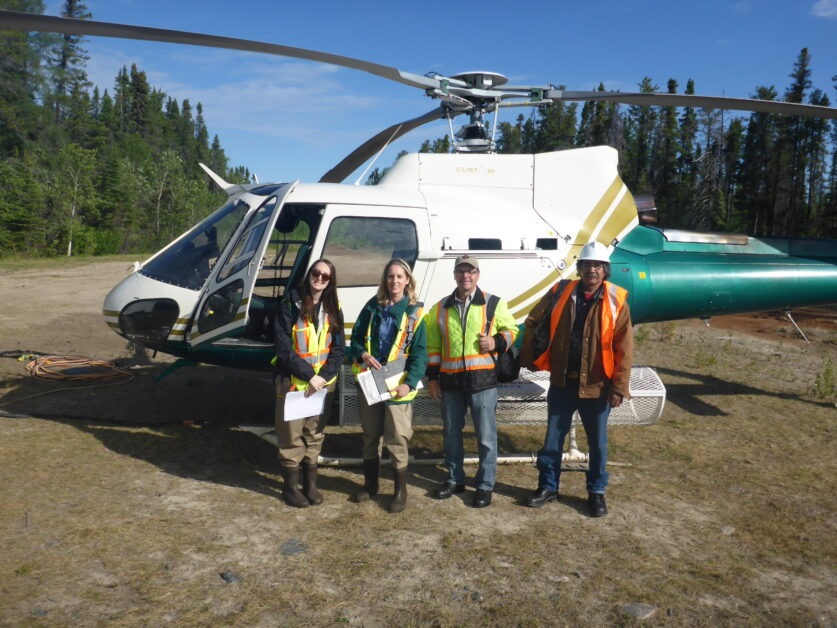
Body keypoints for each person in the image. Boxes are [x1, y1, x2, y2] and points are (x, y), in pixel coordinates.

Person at [519, 241, 633, 517]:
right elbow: (534, 319)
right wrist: (531, 354)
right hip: (562, 382)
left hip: (598, 386)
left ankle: (596, 492)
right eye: (587, 265)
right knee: (552, 441)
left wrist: (618, 386)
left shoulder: (617, 300)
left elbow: (624, 348)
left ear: (605, 270)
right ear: (579, 268)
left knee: (598, 444)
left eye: (597, 265)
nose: (591, 270)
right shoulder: (561, 291)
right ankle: (548, 487)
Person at [426, 255, 518, 508]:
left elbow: (512, 330)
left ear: (478, 274)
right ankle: (455, 479)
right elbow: (433, 347)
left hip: (483, 382)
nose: (466, 276)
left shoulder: (494, 303)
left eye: (471, 271)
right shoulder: (439, 308)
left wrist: (497, 342)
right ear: (454, 274)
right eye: (461, 271)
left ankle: (485, 485)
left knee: (486, 438)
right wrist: (432, 379)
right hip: (451, 383)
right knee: (451, 435)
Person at [350, 259, 428, 513]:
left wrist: (408, 384)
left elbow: (420, 354)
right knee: (371, 434)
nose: (394, 281)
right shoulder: (373, 307)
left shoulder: (416, 312)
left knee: (396, 439)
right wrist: (362, 355)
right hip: (372, 381)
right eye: (390, 276)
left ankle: (399, 490)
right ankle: (371, 486)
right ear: (385, 280)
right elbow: (356, 340)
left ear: (408, 281)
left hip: (398, 386)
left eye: (399, 277)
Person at [273, 259, 344, 508]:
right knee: (291, 437)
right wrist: (308, 375)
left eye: (326, 276)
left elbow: (338, 349)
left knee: (314, 434)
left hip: (322, 386)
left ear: (330, 282)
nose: (320, 279)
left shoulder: (333, 308)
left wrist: (323, 376)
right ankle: (290, 488)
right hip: (294, 384)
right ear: (309, 275)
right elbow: (283, 349)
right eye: (316, 273)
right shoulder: (290, 305)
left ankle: (310, 484)